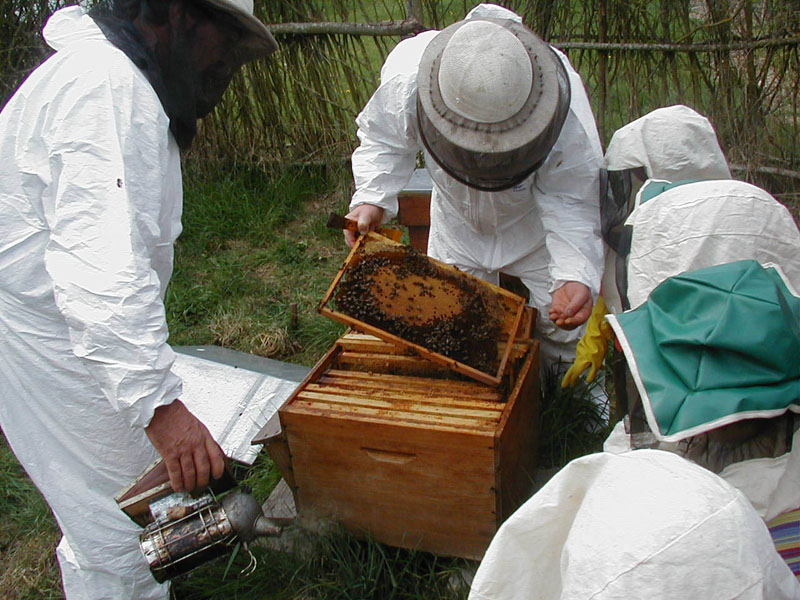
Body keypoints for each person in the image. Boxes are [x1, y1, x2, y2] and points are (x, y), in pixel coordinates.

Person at [0, 1, 277, 598]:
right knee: (120, 524)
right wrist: (164, 413)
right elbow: (99, 273)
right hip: (45, 329)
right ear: (173, 14)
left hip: (60, 321)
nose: (226, 59)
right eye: (222, 35)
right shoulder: (107, 86)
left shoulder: (112, 78)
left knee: (111, 501)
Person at [343, 3, 604, 367]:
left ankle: (566, 401)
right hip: (457, 224)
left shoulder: (563, 100)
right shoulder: (410, 76)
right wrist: (372, 197)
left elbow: (572, 195)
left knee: (561, 323)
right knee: (453, 316)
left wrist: (575, 273)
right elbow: (384, 139)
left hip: (534, 229)